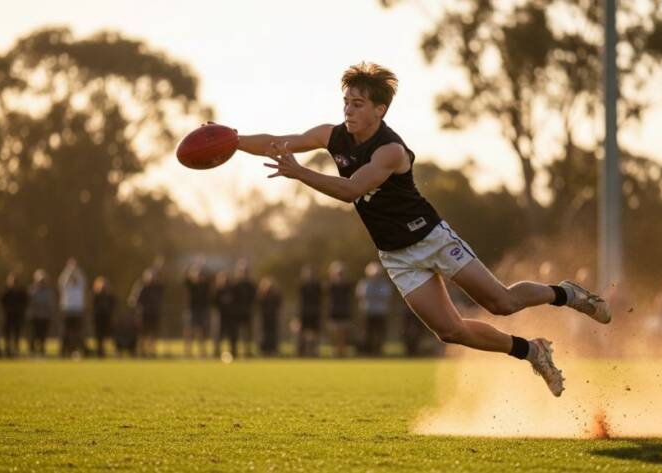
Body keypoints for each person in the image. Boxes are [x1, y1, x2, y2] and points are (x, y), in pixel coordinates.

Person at [233, 62, 610, 395]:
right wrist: (232, 141)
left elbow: (351, 190)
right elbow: (277, 142)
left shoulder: (390, 151)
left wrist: (299, 172)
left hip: (431, 238)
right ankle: (532, 351)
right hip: (396, 255)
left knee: (502, 302)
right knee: (450, 332)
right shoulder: (333, 136)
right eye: (346, 101)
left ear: (380, 110)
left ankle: (566, 293)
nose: (348, 109)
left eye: (358, 103)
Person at [356, 262, 393, 356]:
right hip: (367, 312)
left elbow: (386, 296)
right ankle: (368, 351)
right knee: (367, 333)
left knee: (380, 333)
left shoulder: (384, 284)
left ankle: (378, 351)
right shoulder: (364, 283)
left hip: (380, 312)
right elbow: (361, 295)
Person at [130, 269, 164, 357]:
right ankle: (142, 351)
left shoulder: (157, 287)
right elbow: (134, 300)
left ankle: (152, 351)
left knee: (152, 333)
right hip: (144, 313)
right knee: (142, 333)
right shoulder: (142, 287)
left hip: (154, 313)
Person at [58, 258, 87, 357]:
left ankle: (76, 350)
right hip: (67, 310)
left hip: (77, 311)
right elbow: (62, 281)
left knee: (77, 333)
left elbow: (82, 279)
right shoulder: (66, 284)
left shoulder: (80, 284)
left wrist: (75, 269)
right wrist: (69, 269)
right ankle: (64, 351)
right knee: (65, 332)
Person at [230, 259, 257, 358]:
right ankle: (234, 351)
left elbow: (254, 298)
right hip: (236, 313)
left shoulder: (251, 285)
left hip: (247, 312)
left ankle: (247, 351)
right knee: (235, 333)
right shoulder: (234, 285)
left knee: (247, 333)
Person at [183, 264, 211, 358]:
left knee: (201, 331)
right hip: (191, 310)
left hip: (201, 310)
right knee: (189, 331)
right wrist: (191, 269)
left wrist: (202, 265)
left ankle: (202, 351)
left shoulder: (204, 286)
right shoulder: (191, 285)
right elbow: (185, 278)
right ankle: (188, 351)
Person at [326, 261, 353, 358]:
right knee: (335, 334)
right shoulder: (331, 285)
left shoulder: (347, 285)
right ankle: (335, 352)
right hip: (334, 312)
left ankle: (343, 353)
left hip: (344, 312)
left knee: (343, 334)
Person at [28, 269, 57, 357]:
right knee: (33, 335)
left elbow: (50, 304)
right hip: (34, 316)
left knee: (43, 336)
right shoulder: (31, 291)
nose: (41, 283)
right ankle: (32, 351)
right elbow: (30, 303)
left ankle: (42, 351)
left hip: (45, 317)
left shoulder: (49, 292)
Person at [0, 273, 29, 357]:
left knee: (17, 334)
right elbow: (1, 303)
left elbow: (25, 303)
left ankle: (15, 349)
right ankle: (7, 349)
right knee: (7, 334)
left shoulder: (21, 292)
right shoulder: (5, 291)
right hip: (7, 316)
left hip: (18, 316)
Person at [297, 264, 322, 357]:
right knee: (303, 333)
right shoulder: (301, 286)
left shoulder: (317, 286)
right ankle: (302, 351)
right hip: (304, 313)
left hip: (314, 312)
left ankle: (314, 351)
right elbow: (300, 301)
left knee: (315, 333)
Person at [91, 277, 116, 358]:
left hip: (107, 318)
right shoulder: (96, 296)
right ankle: (99, 351)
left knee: (107, 336)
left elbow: (113, 305)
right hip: (98, 318)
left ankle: (107, 351)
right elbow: (93, 307)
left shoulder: (109, 296)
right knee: (99, 336)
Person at [257, 277, 282, 356]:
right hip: (264, 317)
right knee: (264, 333)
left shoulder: (275, 294)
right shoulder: (261, 294)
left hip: (272, 316)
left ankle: (273, 349)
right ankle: (264, 349)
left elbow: (279, 302)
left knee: (272, 333)